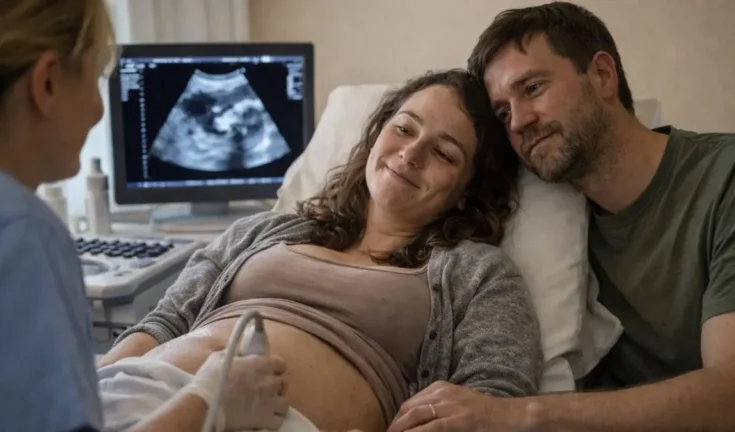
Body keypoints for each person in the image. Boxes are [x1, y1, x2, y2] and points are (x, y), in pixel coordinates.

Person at [387, 2, 735, 432]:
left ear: (603, 75)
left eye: (532, 88)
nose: (518, 122)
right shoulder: (554, 232)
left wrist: (520, 414)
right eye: (502, 111)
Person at [96, 69, 543, 432]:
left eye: (443, 154)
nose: (410, 154)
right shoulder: (260, 231)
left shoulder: (478, 274)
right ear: (375, 136)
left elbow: (492, 403)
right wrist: (90, 389)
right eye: (404, 128)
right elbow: (165, 322)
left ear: (468, 191)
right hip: (138, 398)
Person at [0, 1, 289, 431]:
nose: (101, 110)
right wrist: (214, 401)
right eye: (97, 79)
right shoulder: (23, 232)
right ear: (46, 84)